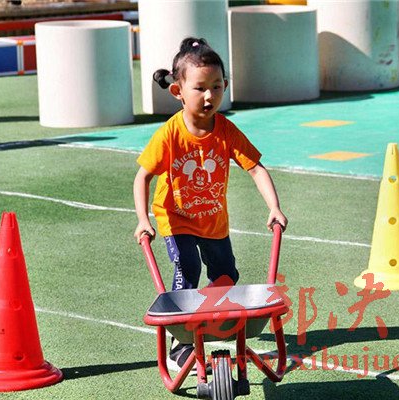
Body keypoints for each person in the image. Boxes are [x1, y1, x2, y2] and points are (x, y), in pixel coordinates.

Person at [133, 37, 287, 370]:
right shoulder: (170, 134)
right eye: (200, 88)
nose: (209, 96)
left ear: (225, 86)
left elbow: (256, 168)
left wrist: (274, 207)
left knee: (226, 276)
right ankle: (180, 342)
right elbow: (143, 177)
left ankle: (206, 317)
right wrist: (144, 219)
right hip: (176, 218)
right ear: (178, 91)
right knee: (187, 268)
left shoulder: (226, 131)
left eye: (216, 87)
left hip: (213, 221)